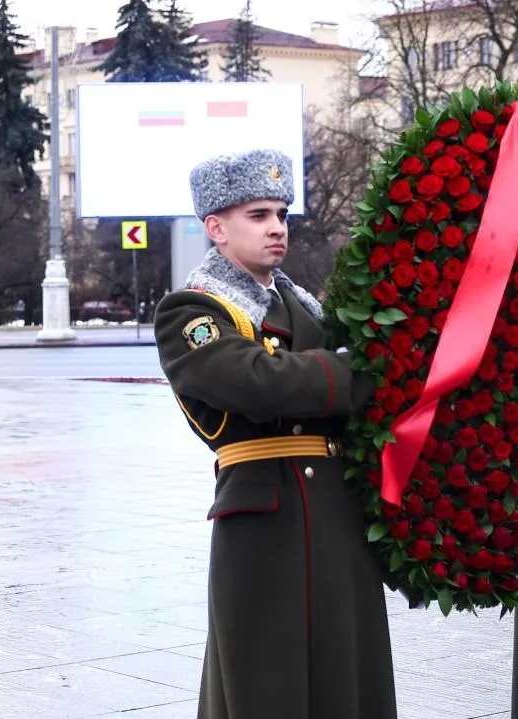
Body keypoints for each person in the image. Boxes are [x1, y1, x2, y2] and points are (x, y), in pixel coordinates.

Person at [153, 149, 397, 719]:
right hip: (265, 519)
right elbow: (259, 383)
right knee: (266, 680)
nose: (277, 228)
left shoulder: (309, 309)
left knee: (348, 674)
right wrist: (365, 369)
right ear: (216, 228)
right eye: (258, 215)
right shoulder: (191, 311)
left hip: (337, 510)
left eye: (282, 215)